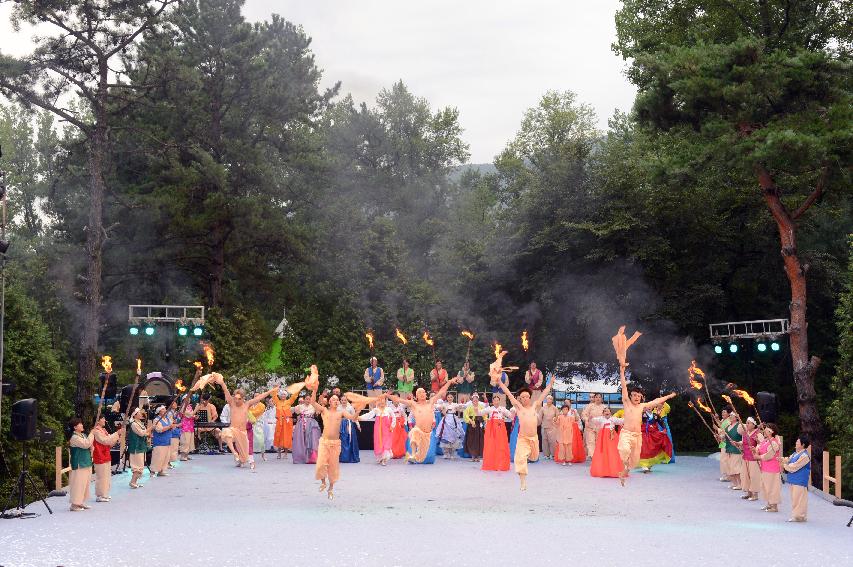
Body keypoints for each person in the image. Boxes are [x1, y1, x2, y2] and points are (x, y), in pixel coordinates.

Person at [616, 368, 676, 485]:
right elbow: (624, 387)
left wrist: (669, 396)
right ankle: (624, 465)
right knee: (624, 449)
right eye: (634, 395)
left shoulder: (643, 406)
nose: (637, 397)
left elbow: (657, 401)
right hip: (626, 434)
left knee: (634, 462)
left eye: (639, 395)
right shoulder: (626, 403)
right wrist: (622, 371)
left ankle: (624, 472)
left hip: (637, 436)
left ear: (641, 397)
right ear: (630, 396)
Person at [496, 373, 555, 490]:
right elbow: (508, 393)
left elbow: (543, 394)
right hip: (523, 438)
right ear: (519, 398)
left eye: (526, 396)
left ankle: (529, 455)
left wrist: (551, 384)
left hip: (534, 438)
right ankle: (523, 482)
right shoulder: (518, 407)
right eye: (522, 397)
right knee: (521, 459)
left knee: (534, 457)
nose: (524, 398)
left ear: (530, 397)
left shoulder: (535, 406)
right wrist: (500, 383)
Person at [306, 379, 359, 499]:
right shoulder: (324, 410)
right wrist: (314, 389)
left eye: (337, 399)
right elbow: (313, 402)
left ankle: (331, 489)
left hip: (335, 444)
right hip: (324, 442)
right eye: (333, 399)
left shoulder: (341, 412)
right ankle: (323, 482)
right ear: (329, 402)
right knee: (321, 465)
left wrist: (359, 409)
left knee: (333, 467)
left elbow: (353, 417)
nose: (336, 401)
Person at [214, 375, 278, 471]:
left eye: (239, 398)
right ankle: (235, 453)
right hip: (233, 430)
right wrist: (222, 383)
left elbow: (259, 397)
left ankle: (245, 461)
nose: (236, 400)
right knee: (226, 433)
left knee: (244, 455)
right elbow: (226, 392)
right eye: (235, 398)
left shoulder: (247, 404)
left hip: (242, 432)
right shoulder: (231, 403)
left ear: (243, 398)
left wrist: (270, 391)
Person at [390, 378, 456, 464]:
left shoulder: (431, 402)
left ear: (426, 394)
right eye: (419, 393)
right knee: (415, 431)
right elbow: (398, 400)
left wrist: (450, 382)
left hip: (427, 434)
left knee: (420, 458)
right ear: (416, 396)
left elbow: (441, 391)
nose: (422, 394)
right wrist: (387, 395)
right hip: (418, 430)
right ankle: (413, 454)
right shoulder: (414, 404)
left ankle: (413, 457)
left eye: (424, 392)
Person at [92, 414, 123, 502]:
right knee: (101, 476)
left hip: (106, 454)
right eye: (103, 418)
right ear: (98, 421)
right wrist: (116, 434)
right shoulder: (96, 431)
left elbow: (109, 442)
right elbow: (105, 441)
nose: (104, 420)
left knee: (106, 476)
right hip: (99, 455)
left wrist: (117, 437)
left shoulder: (104, 430)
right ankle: (100, 495)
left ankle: (104, 493)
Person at [637, 403, 674, 473]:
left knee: (653, 449)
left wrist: (664, 428)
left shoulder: (655, 416)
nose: (649, 407)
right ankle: (644, 466)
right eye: (648, 406)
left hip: (654, 434)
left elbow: (661, 422)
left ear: (653, 407)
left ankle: (649, 464)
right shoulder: (642, 415)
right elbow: (636, 422)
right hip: (645, 434)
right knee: (645, 450)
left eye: (651, 406)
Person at [359, 395, 396, 465]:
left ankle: (385, 459)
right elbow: (368, 415)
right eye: (380, 400)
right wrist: (359, 417)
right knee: (379, 442)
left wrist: (392, 426)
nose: (382, 401)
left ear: (386, 401)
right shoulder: (376, 410)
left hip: (387, 430)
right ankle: (380, 457)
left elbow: (394, 417)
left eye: (383, 400)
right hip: (378, 430)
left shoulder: (388, 409)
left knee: (386, 442)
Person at [782, 434, 811, 522]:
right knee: (795, 499)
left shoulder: (804, 456)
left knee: (799, 499)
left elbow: (794, 466)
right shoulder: (795, 453)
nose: (796, 443)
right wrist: (782, 459)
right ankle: (797, 515)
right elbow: (788, 460)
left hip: (800, 480)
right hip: (794, 480)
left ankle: (799, 516)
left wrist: (784, 465)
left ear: (802, 445)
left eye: (798, 442)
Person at [589, 407, 624, 478]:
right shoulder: (601, 419)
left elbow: (620, 420)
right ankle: (603, 470)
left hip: (612, 437)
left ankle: (614, 470)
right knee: (603, 452)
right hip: (603, 438)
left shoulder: (613, 419)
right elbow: (594, 420)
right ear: (603, 413)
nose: (607, 412)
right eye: (605, 411)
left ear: (611, 413)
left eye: (608, 411)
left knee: (613, 451)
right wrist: (591, 418)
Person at [67, 418, 93, 511]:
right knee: (78, 484)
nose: (82, 425)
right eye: (80, 424)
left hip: (86, 461)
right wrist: (92, 435)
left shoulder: (83, 435)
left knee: (85, 484)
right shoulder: (74, 437)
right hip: (79, 463)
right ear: (75, 427)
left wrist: (91, 446)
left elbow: (89, 445)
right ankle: (74, 504)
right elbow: (86, 444)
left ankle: (81, 502)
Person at [481, 394, 512, 471]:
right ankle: (491, 464)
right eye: (494, 400)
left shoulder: (503, 409)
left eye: (497, 400)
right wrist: (475, 407)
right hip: (491, 428)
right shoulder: (489, 409)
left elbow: (510, 415)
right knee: (491, 444)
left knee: (501, 445)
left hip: (500, 428)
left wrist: (514, 410)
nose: (496, 402)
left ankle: (501, 464)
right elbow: (480, 412)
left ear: (499, 401)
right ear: (492, 401)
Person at [757, 422, 782, 513]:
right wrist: (755, 450)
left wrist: (759, 457)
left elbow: (769, 455)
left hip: (772, 468)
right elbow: (759, 449)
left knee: (772, 487)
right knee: (766, 486)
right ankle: (769, 503)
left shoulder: (774, 443)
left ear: (771, 431)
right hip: (764, 467)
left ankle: (774, 506)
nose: (764, 430)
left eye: (766, 429)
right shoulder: (765, 441)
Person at [736, 417, 762, 501]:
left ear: (754, 425)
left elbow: (762, 445)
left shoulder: (758, 433)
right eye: (746, 423)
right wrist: (738, 443)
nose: (746, 424)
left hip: (754, 458)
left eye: (748, 423)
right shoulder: (745, 433)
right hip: (745, 457)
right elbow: (744, 443)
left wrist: (757, 443)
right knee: (745, 475)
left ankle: (755, 494)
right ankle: (748, 492)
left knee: (754, 476)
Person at [271, 387, 300, 458]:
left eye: (284, 394)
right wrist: (275, 388)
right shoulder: (277, 402)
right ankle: (279, 453)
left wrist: (297, 389)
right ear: (280, 396)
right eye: (282, 395)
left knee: (287, 436)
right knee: (279, 436)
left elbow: (294, 396)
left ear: (286, 396)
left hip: (287, 422)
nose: (283, 396)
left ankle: (286, 453)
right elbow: (274, 395)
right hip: (279, 421)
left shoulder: (289, 401)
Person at [293, 394, 321, 464]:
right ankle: (301, 457)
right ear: (304, 399)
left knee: (312, 439)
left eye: (309, 399)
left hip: (311, 424)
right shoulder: (299, 407)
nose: (308, 400)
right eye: (307, 399)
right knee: (301, 439)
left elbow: (319, 412)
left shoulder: (313, 406)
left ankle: (312, 457)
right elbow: (294, 412)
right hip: (302, 424)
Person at [127, 408, 152, 489]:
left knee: (140, 465)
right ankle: (132, 482)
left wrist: (148, 434)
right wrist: (150, 428)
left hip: (141, 446)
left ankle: (135, 482)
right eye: (139, 413)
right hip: (136, 447)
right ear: (135, 415)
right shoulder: (133, 424)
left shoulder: (139, 423)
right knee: (137, 466)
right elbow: (141, 433)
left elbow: (144, 433)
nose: (141, 414)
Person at [151, 405, 177, 477]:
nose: (165, 410)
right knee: (158, 457)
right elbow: (159, 430)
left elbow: (172, 427)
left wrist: (173, 426)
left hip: (167, 440)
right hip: (159, 441)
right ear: (159, 411)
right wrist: (169, 426)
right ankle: (153, 471)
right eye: (163, 409)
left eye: (165, 409)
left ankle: (162, 470)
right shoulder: (156, 420)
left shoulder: (168, 419)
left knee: (166, 457)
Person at [436, 394, 464, 459]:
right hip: (446, 420)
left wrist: (459, 407)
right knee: (445, 436)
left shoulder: (455, 404)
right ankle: (446, 453)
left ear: (453, 398)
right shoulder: (444, 404)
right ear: (447, 398)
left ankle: (452, 453)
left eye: (451, 397)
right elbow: (439, 409)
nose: (449, 398)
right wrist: (443, 410)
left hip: (454, 420)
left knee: (454, 436)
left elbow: (461, 410)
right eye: (448, 397)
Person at [581, 393, 606, 459]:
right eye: (596, 397)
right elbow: (584, 415)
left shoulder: (604, 407)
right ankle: (593, 456)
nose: (598, 398)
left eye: (599, 397)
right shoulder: (590, 406)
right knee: (591, 442)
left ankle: (598, 456)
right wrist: (586, 419)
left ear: (601, 399)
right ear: (594, 398)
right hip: (590, 427)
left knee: (599, 442)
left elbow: (608, 416)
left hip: (600, 428)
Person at [463, 393, 486, 462]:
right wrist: (470, 421)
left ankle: (478, 456)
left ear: (478, 400)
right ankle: (473, 455)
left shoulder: (481, 407)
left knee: (479, 439)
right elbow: (465, 415)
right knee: (471, 439)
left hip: (479, 424)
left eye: (476, 400)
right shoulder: (469, 407)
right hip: (472, 425)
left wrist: (484, 421)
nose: (475, 401)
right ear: (472, 400)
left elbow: (484, 415)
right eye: (474, 400)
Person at [723, 412, 743, 489]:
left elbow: (746, 433)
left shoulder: (740, 426)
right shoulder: (728, 427)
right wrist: (720, 437)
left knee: (736, 468)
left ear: (736, 417)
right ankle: (734, 483)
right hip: (728, 449)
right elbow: (725, 438)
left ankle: (740, 484)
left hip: (736, 450)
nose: (730, 417)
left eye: (732, 416)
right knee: (730, 467)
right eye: (730, 415)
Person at [339, 395, 361, 463]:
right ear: (340, 401)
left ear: (347, 401)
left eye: (345, 400)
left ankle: (350, 456)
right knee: (342, 441)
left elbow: (355, 417)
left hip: (349, 425)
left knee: (350, 440)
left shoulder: (350, 408)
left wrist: (358, 425)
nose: (343, 401)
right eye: (342, 400)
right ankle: (342, 457)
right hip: (341, 425)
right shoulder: (338, 408)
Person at [538, 395, 559, 460]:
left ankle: (553, 455)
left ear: (552, 400)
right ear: (546, 400)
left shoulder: (555, 408)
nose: (549, 400)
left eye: (550, 399)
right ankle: (546, 455)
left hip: (552, 427)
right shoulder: (542, 408)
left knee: (552, 442)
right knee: (544, 441)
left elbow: (558, 417)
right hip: (544, 427)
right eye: (548, 398)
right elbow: (539, 417)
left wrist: (555, 419)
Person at [716, 408, 731, 482]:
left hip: (726, 441)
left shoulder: (729, 421)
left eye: (724, 412)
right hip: (723, 441)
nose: (722, 413)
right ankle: (725, 474)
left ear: (728, 414)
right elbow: (720, 425)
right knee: (723, 459)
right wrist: (717, 419)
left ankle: (728, 475)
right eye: (722, 412)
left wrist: (717, 429)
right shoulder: (723, 420)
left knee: (725, 459)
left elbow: (724, 431)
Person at [167, 400, 181, 467]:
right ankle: (168, 462)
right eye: (173, 403)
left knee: (174, 448)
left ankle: (169, 463)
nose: (175, 404)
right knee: (172, 448)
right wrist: (177, 424)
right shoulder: (169, 413)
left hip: (176, 431)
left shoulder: (175, 412)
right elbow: (170, 423)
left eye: (175, 402)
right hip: (172, 431)